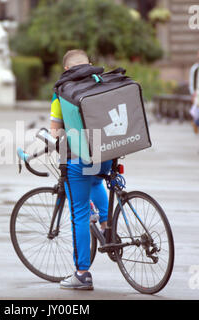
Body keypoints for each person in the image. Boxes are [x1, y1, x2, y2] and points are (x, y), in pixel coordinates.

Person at [50, 50, 113, 290]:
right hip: (107, 153)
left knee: (79, 213)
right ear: (89, 65)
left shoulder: (62, 94)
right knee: (96, 181)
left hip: (78, 158)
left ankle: (82, 274)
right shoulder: (101, 83)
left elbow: (55, 132)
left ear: (66, 70)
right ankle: (108, 228)